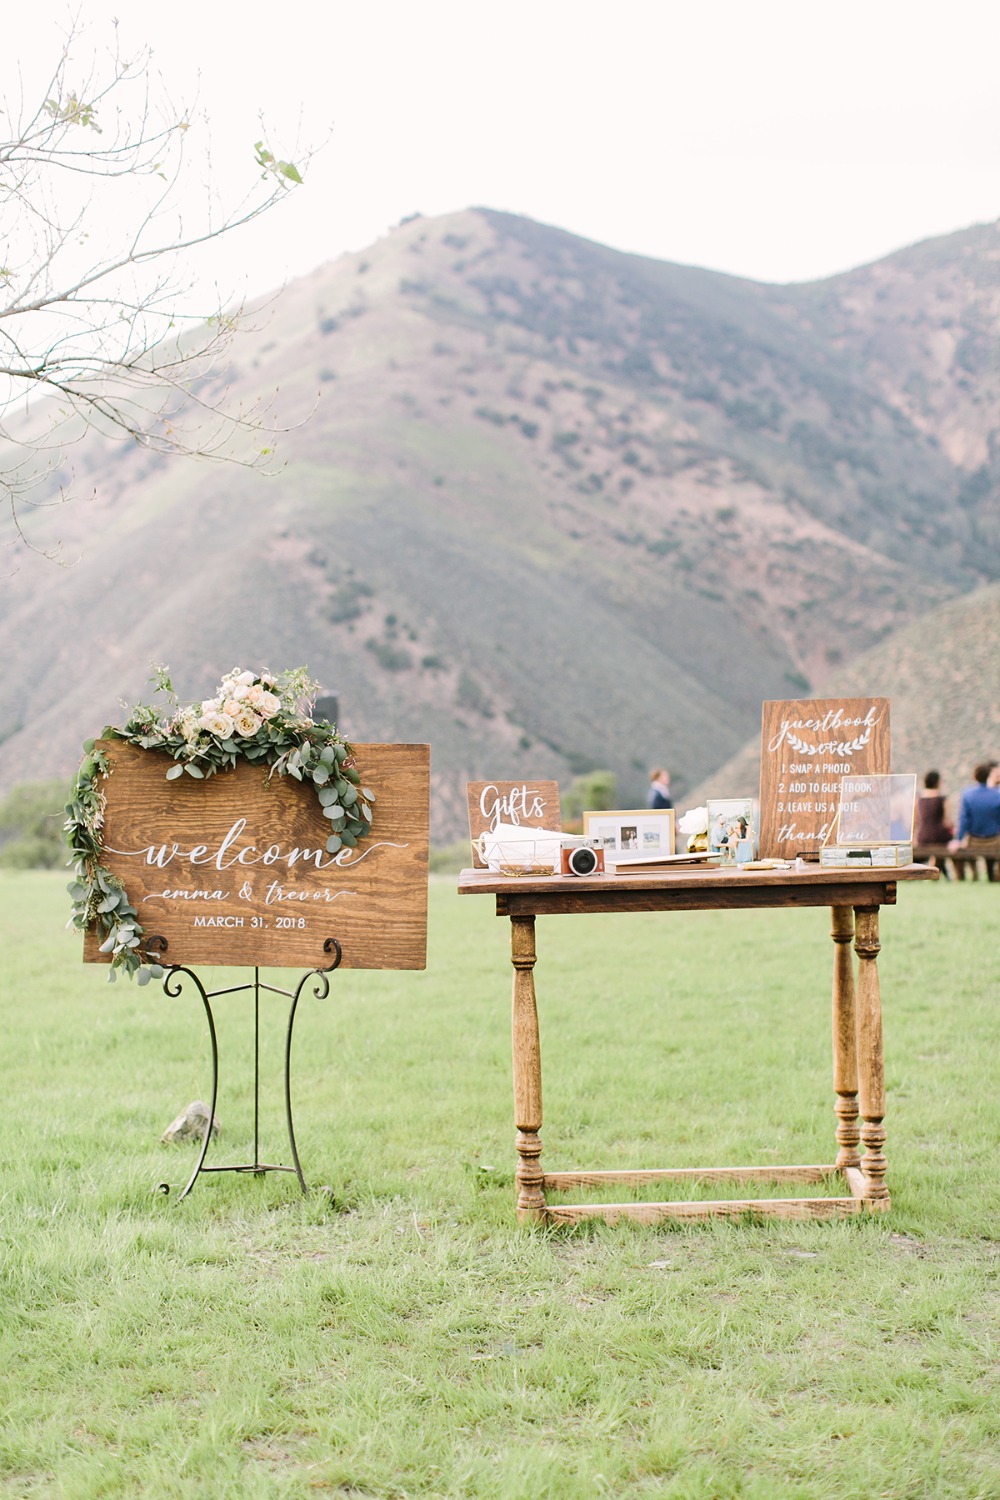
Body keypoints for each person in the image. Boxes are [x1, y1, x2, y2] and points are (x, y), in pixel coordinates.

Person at [953, 762, 1000, 881]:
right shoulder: (997, 794)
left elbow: (964, 819)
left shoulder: (967, 794)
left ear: (974, 777)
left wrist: (958, 839)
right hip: (994, 840)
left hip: (973, 840)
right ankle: (995, 876)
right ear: (989, 776)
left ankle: (974, 875)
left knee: (963, 849)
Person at [915, 770, 955, 878]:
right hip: (939, 835)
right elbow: (947, 822)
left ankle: (939, 871)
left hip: (922, 836)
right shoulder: (942, 799)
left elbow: (916, 821)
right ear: (937, 782)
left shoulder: (918, 799)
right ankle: (942, 873)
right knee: (951, 839)